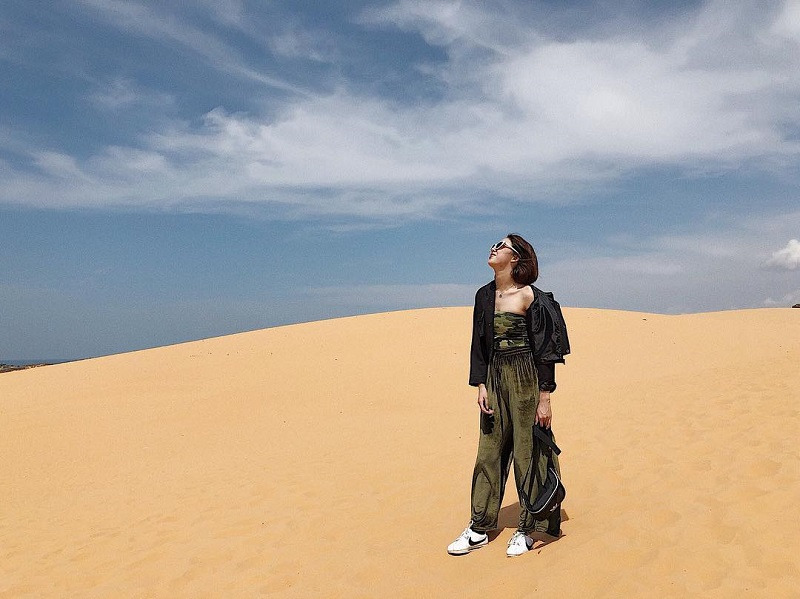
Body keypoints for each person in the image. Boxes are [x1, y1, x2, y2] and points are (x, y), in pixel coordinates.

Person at [447, 233, 570, 558]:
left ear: (515, 258)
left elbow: (546, 351)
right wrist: (481, 384)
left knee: (527, 451)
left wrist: (545, 397)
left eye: (501, 246)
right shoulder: (484, 295)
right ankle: (479, 527)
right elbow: (478, 343)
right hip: (494, 377)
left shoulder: (532, 296)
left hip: (526, 377)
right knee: (488, 451)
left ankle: (527, 528)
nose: (494, 247)